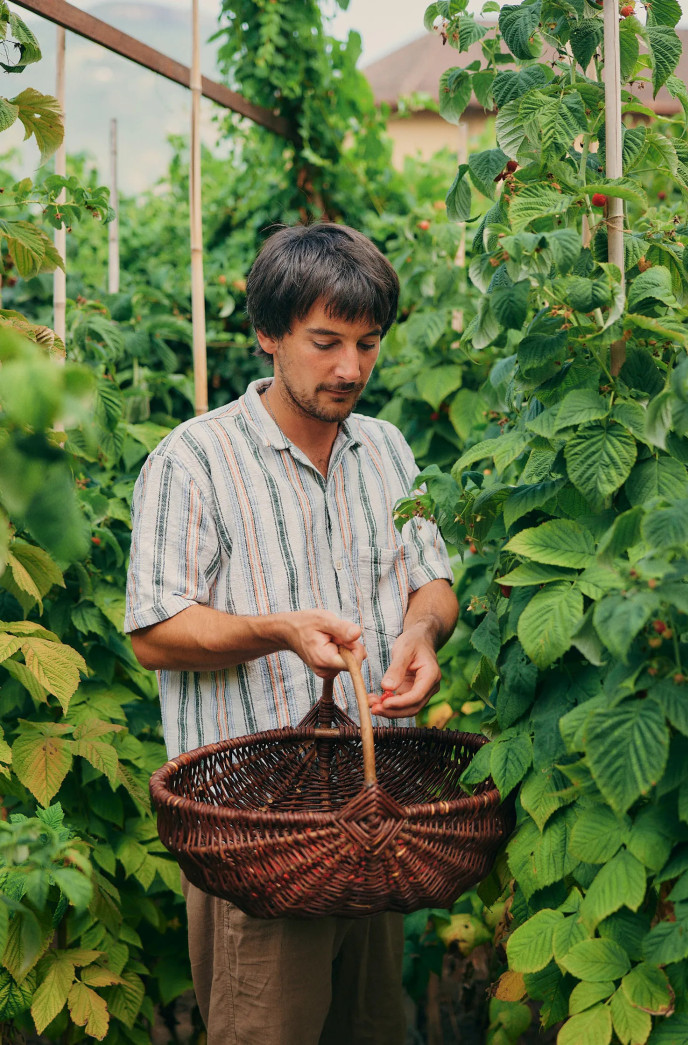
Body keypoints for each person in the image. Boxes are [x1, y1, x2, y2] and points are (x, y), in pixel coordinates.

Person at [124, 223, 459, 1045]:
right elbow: (155, 632)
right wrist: (276, 630)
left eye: (367, 343)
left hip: (376, 819)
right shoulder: (194, 459)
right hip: (258, 835)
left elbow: (432, 581)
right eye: (326, 341)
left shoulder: (387, 449)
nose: (350, 368)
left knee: (371, 1027)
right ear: (269, 334)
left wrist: (421, 633)